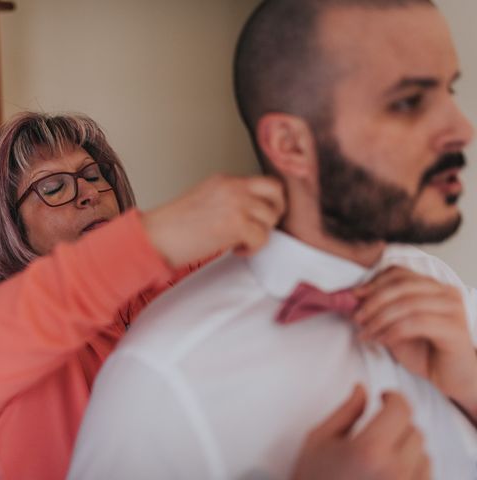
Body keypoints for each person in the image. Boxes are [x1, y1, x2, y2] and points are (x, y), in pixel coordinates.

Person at [68, 1, 477, 479]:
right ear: (291, 145)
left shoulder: (443, 294)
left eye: (450, 91)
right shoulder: (159, 378)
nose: (461, 130)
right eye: (409, 102)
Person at [0, 112, 288, 479]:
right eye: (53, 187)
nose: (88, 192)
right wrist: (152, 236)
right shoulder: (18, 337)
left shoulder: (178, 276)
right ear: (13, 227)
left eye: (92, 175)